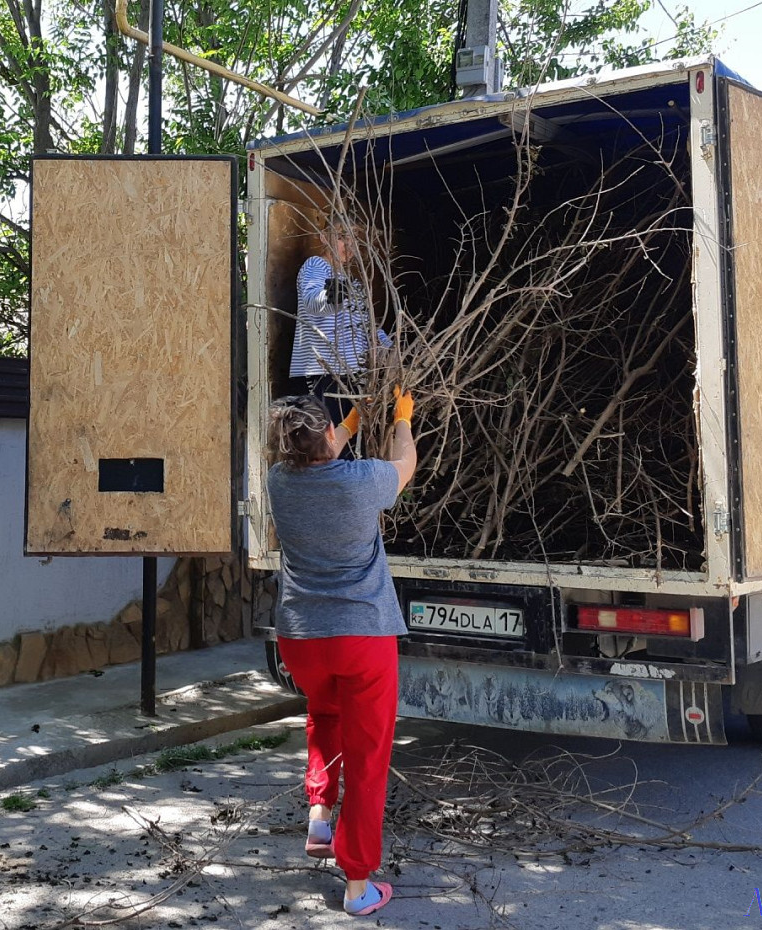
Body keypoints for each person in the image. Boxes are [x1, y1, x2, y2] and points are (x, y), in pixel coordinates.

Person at [266, 387, 416, 917]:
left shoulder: (278, 481)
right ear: (324, 435)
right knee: (368, 755)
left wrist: (350, 420)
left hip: (301, 639)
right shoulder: (363, 481)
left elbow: (316, 449)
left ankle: (319, 815)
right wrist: (401, 420)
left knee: (322, 713)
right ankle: (357, 884)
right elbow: (406, 463)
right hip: (362, 638)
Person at [289, 219, 392, 434]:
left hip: (351, 376)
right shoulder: (317, 265)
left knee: (347, 444)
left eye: (354, 239)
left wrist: (390, 350)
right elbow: (313, 300)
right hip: (324, 375)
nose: (350, 245)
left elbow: (366, 325)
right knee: (330, 443)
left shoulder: (351, 282)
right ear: (324, 237)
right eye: (342, 237)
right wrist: (335, 295)